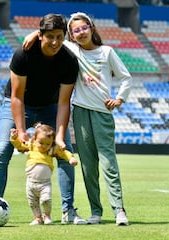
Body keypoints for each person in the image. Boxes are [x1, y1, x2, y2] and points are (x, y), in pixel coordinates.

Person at [23, 12, 132, 226]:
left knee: (108, 163)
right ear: (71, 36)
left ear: (91, 28)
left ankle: (119, 210)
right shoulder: (72, 50)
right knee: (88, 166)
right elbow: (51, 34)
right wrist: (35, 33)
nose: (80, 33)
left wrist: (119, 99)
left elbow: (125, 77)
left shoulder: (107, 52)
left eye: (84, 28)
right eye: (75, 31)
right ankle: (96, 213)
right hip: (80, 112)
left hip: (102, 113)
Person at [0, 13, 87, 225]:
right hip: (16, 103)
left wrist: (60, 136)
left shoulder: (69, 61)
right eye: (50, 36)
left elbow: (63, 103)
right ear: (40, 35)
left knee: (65, 151)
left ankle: (68, 210)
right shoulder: (23, 54)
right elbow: (17, 96)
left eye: (59, 37)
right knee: (3, 149)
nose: (55, 42)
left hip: (50, 108)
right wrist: (22, 131)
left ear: (65, 36)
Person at [10, 123, 78, 225]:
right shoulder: (31, 145)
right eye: (41, 143)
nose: (44, 146)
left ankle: (47, 216)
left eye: (47, 144)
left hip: (45, 183)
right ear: (34, 139)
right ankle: (37, 218)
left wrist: (71, 158)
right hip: (30, 182)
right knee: (33, 203)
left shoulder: (52, 149)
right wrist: (14, 138)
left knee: (46, 200)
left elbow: (63, 152)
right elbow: (19, 145)